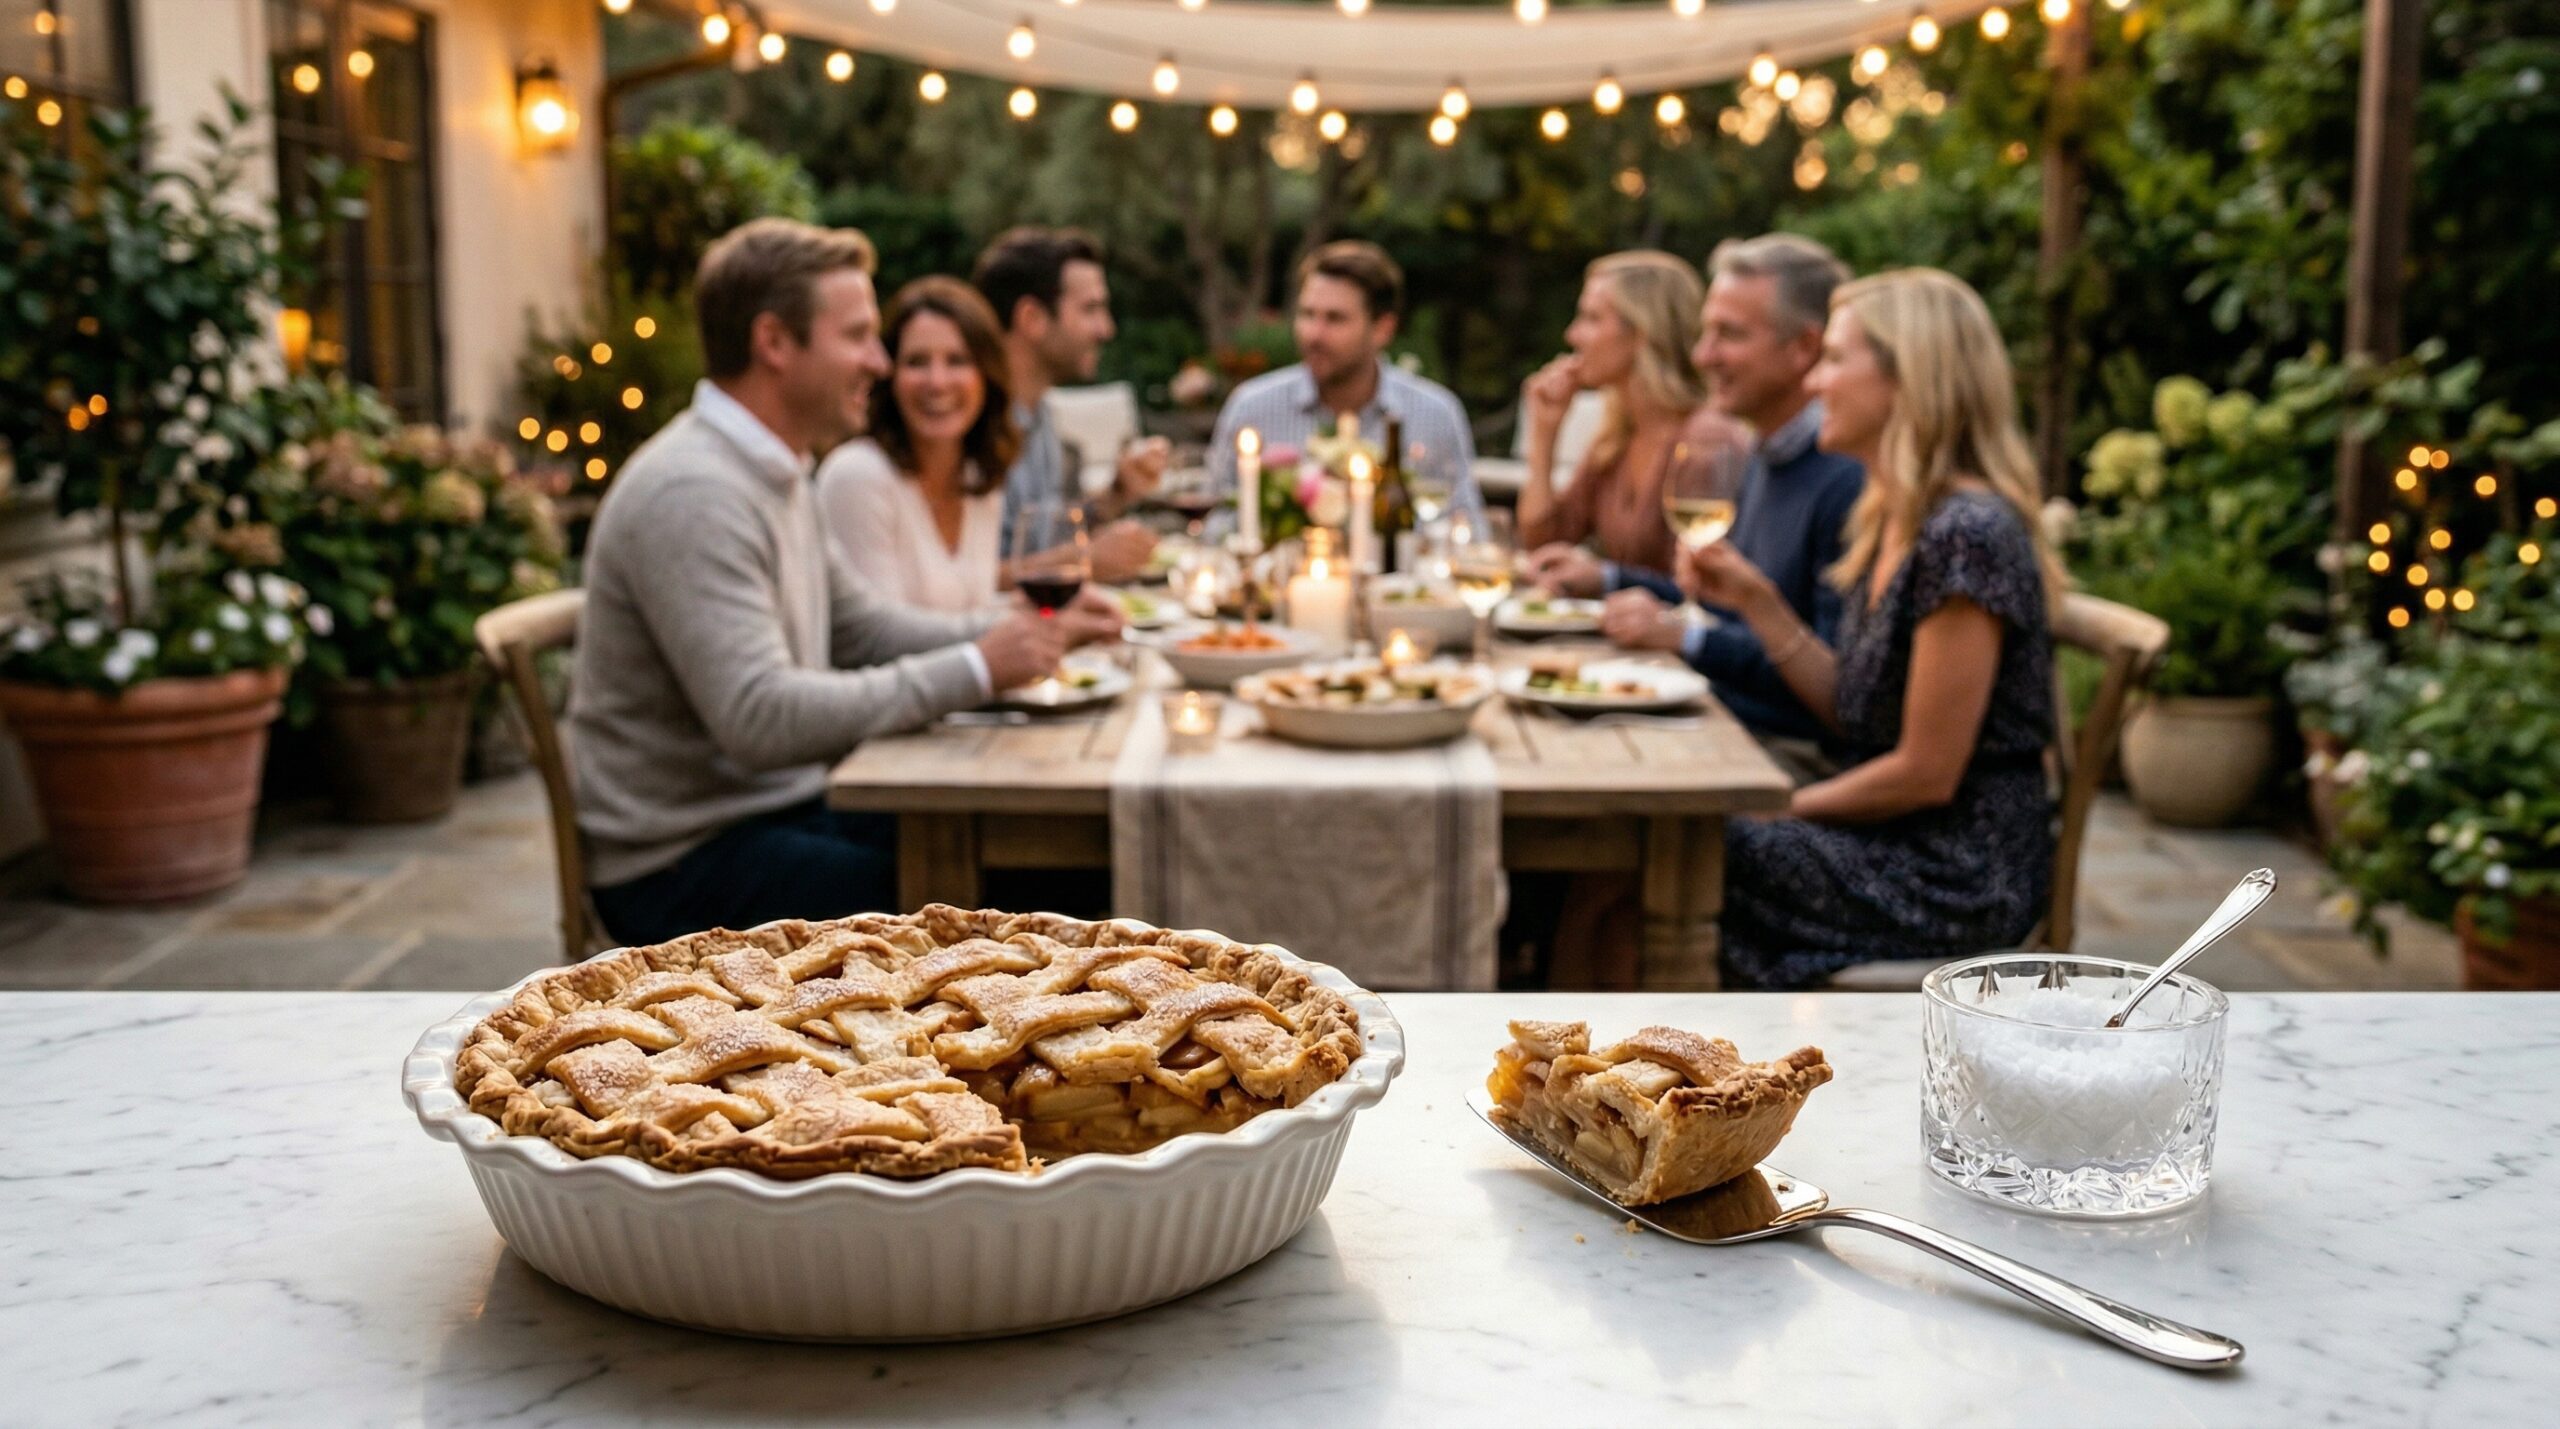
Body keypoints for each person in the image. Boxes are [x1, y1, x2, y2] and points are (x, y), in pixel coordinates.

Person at [570, 218, 1120, 946]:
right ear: (774, 342)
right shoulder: (694, 491)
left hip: (777, 811)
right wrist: (979, 664)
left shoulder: (777, 468)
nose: (880, 362)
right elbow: (759, 717)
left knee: (1055, 849)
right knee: (1020, 896)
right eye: (858, 335)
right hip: (683, 865)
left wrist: (1023, 637)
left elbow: (860, 626)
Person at [1678, 268, 2069, 990]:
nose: (1816, 381)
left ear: (1909, 379)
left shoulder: (1967, 534)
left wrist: (1779, 806)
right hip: (1894, 834)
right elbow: (1853, 706)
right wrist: (1759, 600)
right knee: (1672, 837)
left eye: (1833, 358)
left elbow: (1926, 770)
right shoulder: (1893, 515)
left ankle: (1672, 1074)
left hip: (1953, 869)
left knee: (1682, 847)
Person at [1533, 234, 1865, 768]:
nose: (1702, 355)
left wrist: (1684, 637)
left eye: (1728, 335)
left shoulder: (1844, 479)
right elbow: (1727, 611)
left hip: (1786, 755)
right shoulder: (1766, 451)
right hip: (1728, 722)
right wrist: (1614, 580)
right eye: (1705, 332)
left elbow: (1833, 692)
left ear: (1804, 348)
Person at [1205, 241, 1483, 525]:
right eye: (1307, 314)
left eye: (1335, 319)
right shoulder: (1252, 408)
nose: (1314, 334)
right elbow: (1213, 524)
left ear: (1382, 329)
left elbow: (1467, 529)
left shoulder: (1434, 414)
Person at [1516, 250, 1732, 581]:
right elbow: (1543, 545)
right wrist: (1544, 436)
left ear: (1642, 332)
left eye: (1591, 318)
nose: (1572, 335)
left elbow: (1701, 582)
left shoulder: (1705, 439)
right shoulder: (1617, 437)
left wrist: (1605, 577)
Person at [973, 228, 1166, 584]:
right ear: (1032, 318)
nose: (1106, 329)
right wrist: (1085, 560)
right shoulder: (970, 424)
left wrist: (1116, 495)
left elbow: (1043, 537)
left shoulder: (1040, 413)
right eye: (1090, 309)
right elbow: (959, 581)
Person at [817, 277, 1016, 614]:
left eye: (957, 360)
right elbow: (876, 642)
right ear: (888, 375)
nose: (937, 383)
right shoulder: (857, 477)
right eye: (917, 362)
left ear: (987, 375)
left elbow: (974, 611)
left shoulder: (979, 479)